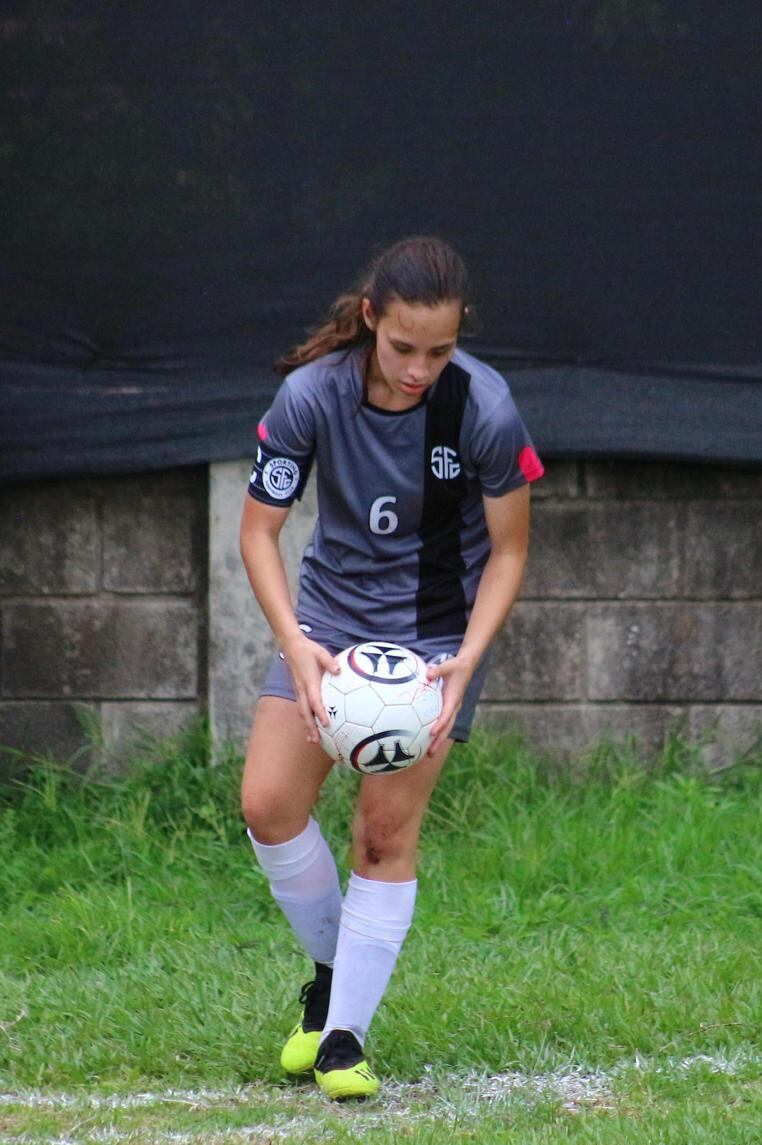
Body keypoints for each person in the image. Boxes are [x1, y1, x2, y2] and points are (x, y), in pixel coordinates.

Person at [238, 236, 542, 1101]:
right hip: (329, 624)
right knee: (267, 805)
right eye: (403, 347)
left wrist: (466, 663)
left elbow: (511, 552)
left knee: (382, 832)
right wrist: (296, 641)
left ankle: (344, 1039)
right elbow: (259, 530)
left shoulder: (484, 407)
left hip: (436, 639)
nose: (419, 369)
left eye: (439, 351)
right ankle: (334, 974)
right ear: (369, 318)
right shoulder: (312, 395)